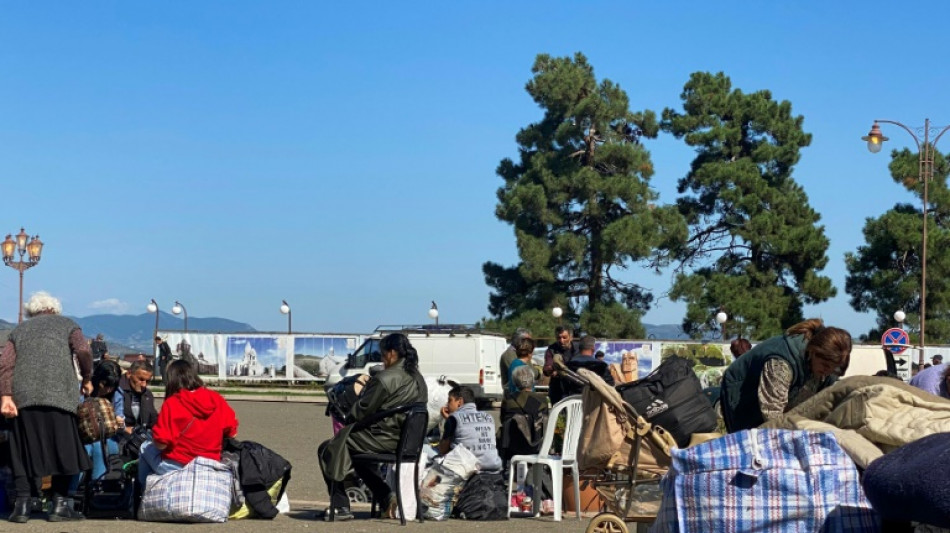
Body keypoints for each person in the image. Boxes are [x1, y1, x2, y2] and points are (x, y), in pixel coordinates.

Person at [0, 291, 92, 523]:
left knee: (21, 449)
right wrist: (87, 377)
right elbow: (83, 350)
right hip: (60, 395)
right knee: (64, 448)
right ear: (55, 309)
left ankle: (22, 505)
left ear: (31, 312)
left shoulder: (19, 330)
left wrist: (6, 395)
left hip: (24, 397)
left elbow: (5, 364)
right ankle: (59, 505)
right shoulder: (68, 324)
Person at [317, 333, 427, 521]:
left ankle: (340, 506)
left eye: (382, 355)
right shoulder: (419, 378)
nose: (382, 360)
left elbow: (359, 412)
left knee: (330, 447)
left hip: (385, 439)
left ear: (391, 353)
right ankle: (385, 498)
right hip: (408, 442)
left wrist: (357, 396)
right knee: (355, 452)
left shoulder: (385, 378)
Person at [720, 319, 851, 433]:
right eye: (825, 365)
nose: (828, 371)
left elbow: (828, 402)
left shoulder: (828, 367)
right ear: (813, 352)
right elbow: (772, 414)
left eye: (834, 367)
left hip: (780, 398)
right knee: (752, 441)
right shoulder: (781, 363)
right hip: (744, 396)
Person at [137, 360, 239, 487]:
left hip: (177, 466)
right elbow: (232, 433)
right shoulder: (216, 399)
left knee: (144, 448)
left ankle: (143, 491)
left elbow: (162, 444)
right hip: (210, 464)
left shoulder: (172, 403)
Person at [438, 385, 502, 472]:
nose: (447, 405)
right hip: (493, 466)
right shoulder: (488, 417)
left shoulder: (454, 418)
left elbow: (443, 450)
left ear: (459, 401)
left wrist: (448, 420)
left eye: (450, 400)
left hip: (467, 469)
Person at [498, 365, 550, 465]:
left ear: (515, 382)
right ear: (533, 381)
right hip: (538, 446)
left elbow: (503, 420)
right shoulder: (543, 400)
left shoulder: (509, 400)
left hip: (514, 446)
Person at [543, 326, 580, 404]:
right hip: (557, 391)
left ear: (571, 337)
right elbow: (547, 367)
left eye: (564, 337)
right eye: (559, 338)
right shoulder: (551, 349)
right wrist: (551, 369)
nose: (561, 340)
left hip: (575, 389)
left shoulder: (578, 349)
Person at [116, 360, 157, 431]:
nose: (144, 385)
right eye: (141, 379)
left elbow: (153, 419)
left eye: (148, 381)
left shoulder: (147, 394)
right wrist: (124, 429)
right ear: (129, 374)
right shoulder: (117, 391)